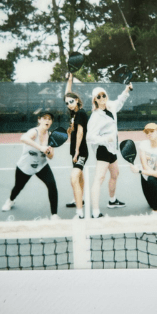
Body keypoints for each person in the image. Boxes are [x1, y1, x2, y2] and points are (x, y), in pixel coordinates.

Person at [0, 110, 60, 220]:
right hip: (25, 166)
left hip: (41, 166)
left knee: (52, 185)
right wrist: (40, 147)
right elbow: (23, 138)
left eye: (49, 119)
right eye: (44, 118)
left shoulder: (51, 136)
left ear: (51, 122)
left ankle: (54, 215)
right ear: (39, 120)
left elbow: (51, 156)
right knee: (18, 187)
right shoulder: (34, 132)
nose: (47, 121)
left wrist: (48, 152)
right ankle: (10, 201)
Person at [85, 82, 132, 218]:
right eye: (98, 97)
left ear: (106, 96)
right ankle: (95, 212)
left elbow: (120, 101)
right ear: (95, 100)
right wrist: (106, 139)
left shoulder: (111, 107)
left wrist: (127, 90)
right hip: (103, 149)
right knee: (99, 178)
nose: (102, 98)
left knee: (115, 174)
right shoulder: (95, 116)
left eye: (103, 95)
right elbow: (89, 137)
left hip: (112, 148)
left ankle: (112, 201)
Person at [125, 123, 157, 215]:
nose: (149, 134)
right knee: (151, 203)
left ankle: (156, 211)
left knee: (151, 180)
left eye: (152, 131)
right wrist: (142, 171)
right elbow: (145, 166)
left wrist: (139, 170)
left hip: (156, 177)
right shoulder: (143, 144)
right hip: (146, 174)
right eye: (147, 132)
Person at [62, 73, 90, 219]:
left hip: (81, 151)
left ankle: (79, 212)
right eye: (67, 103)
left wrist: (77, 151)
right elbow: (67, 94)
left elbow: (80, 133)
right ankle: (79, 199)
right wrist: (70, 80)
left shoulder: (81, 114)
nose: (69, 104)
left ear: (77, 100)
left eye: (71, 102)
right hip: (75, 150)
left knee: (74, 178)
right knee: (79, 177)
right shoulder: (74, 113)